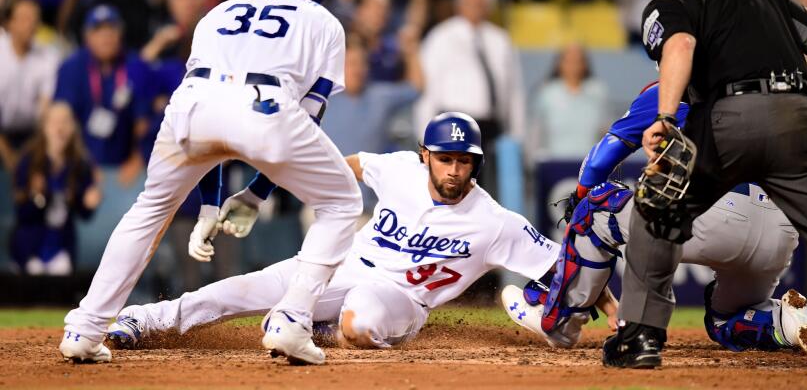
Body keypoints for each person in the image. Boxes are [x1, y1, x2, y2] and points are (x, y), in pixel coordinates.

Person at [59, 0, 363, 367]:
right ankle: (292, 319)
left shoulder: (220, 11)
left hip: (190, 106)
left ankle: (85, 329)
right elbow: (308, 117)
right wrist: (256, 194)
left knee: (149, 209)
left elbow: (214, 116)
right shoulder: (324, 22)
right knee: (341, 202)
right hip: (266, 104)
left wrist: (210, 204)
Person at [105, 113, 561, 351]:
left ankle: (323, 330)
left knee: (358, 326)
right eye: (446, 157)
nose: (455, 169)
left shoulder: (496, 220)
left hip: (400, 298)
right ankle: (144, 321)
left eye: (464, 160)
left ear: (476, 163)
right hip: (343, 266)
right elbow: (351, 167)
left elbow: (563, 266)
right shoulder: (400, 168)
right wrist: (267, 190)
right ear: (425, 155)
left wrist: (614, 311)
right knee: (243, 289)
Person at [604, 0, 807, 369]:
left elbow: (681, 44)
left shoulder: (670, 3)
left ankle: (640, 338)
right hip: (801, 117)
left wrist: (667, 117)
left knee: (656, 212)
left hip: (730, 119)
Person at [501, 83, 807, 355]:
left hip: (715, 211)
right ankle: (786, 323)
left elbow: (606, 154)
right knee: (726, 321)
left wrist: (581, 194)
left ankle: (557, 320)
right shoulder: (767, 99)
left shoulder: (671, 91)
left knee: (594, 209)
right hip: (782, 228)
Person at [415, 0, 525, 197]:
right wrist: (424, 136)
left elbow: (513, 92)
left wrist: (517, 134)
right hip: (452, 126)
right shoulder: (441, 37)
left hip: (490, 127)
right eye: (471, 1)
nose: (476, 6)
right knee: (453, 190)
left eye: (482, 1)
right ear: (460, 3)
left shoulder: (500, 39)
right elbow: (429, 89)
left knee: (487, 194)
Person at [53, 5, 153, 183]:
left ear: (120, 33)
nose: (106, 35)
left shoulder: (135, 65)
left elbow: (143, 122)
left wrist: (138, 158)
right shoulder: (71, 67)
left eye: (111, 28)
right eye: (98, 29)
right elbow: (62, 119)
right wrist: (81, 163)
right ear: (87, 36)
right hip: (78, 164)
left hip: (125, 168)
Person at [11, 101, 101, 275]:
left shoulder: (80, 164)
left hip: (61, 245)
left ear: (73, 127)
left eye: (65, 122)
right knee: (34, 274)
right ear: (44, 126)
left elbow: (84, 213)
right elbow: (22, 213)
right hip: (30, 244)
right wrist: (36, 196)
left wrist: (89, 203)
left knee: (61, 273)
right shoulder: (29, 162)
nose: (60, 128)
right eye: (54, 122)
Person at [0, 0, 60, 163]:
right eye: (25, 18)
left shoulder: (49, 55)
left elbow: (46, 108)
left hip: (31, 134)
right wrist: (9, 157)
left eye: (35, 18)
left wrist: (33, 153)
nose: (31, 24)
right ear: (9, 23)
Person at [530, 44, 608, 161]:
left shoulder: (598, 92)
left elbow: (606, 131)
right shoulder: (547, 93)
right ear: (559, 64)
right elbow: (535, 135)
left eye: (578, 61)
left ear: (585, 64)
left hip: (589, 165)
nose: (573, 66)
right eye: (568, 60)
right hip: (555, 163)